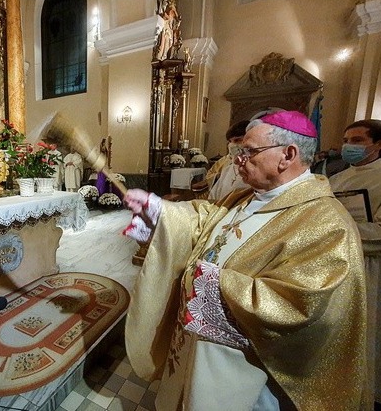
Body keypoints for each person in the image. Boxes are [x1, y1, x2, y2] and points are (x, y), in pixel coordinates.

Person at [122, 110, 367, 410]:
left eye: (249, 151)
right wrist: (160, 210)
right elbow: (207, 219)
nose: (238, 159)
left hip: (248, 368)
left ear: (288, 155)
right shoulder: (246, 196)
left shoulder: (328, 223)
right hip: (197, 345)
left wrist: (213, 283)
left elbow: (305, 304)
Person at [330, 119, 381, 242]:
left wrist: (333, 228)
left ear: (378, 144)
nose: (348, 145)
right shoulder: (335, 179)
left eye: (357, 140)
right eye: (346, 141)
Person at [191, 120, 250, 200]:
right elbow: (213, 197)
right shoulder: (227, 170)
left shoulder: (256, 171)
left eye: (237, 140)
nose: (232, 145)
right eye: (230, 141)